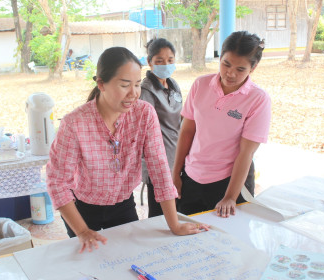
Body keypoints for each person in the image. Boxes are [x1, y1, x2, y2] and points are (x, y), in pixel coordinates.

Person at [46, 47, 208, 253]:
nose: (133, 93)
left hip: (123, 205)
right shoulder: (74, 123)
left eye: (138, 84)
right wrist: (82, 231)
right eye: (124, 85)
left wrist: (174, 224)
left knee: (126, 259)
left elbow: (159, 169)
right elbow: (57, 182)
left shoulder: (144, 114)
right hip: (82, 209)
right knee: (89, 264)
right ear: (101, 84)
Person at [172, 31, 271, 218]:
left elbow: (246, 152)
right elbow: (186, 132)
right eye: (226, 64)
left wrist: (230, 197)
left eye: (240, 69)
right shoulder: (200, 85)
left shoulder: (258, 99)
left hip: (229, 182)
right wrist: (176, 173)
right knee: (188, 234)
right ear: (220, 57)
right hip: (192, 175)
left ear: (253, 67)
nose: (230, 73)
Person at [139, 38, 182, 217]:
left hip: (177, 155)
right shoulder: (146, 91)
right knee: (159, 214)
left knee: (176, 208)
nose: (166, 64)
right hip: (158, 160)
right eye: (159, 61)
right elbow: (145, 130)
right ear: (149, 62)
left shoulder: (173, 85)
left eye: (170, 60)